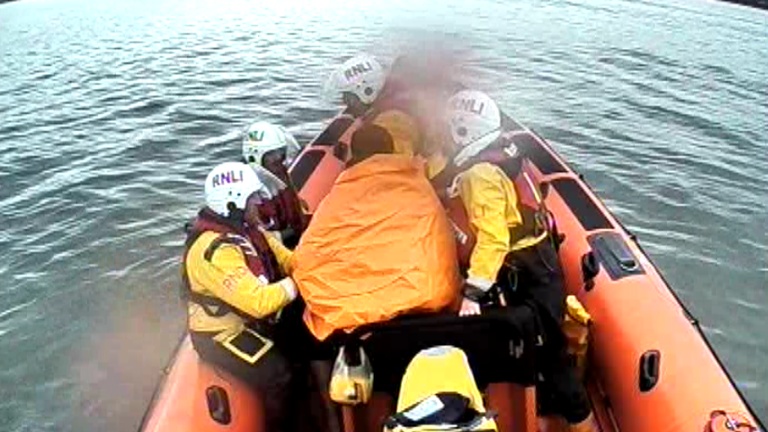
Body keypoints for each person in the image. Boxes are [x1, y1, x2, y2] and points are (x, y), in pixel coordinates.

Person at [426, 90, 598, 432]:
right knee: (537, 345)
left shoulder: (479, 176)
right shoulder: (496, 157)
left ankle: (581, 421)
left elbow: (494, 239)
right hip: (527, 263)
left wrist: (473, 292)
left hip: (529, 270)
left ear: (464, 131)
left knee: (551, 353)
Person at [291, 124, 461, 341]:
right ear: (391, 150)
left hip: (360, 308)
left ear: (354, 154)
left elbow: (311, 249)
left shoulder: (346, 188)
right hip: (426, 293)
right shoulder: (416, 182)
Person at [181, 161, 300, 432]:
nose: (259, 203)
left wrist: (316, 264)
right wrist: (296, 284)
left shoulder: (251, 233)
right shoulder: (216, 252)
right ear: (233, 203)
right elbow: (258, 302)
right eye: (252, 199)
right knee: (279, 375)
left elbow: (288, 260)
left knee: (301, 334)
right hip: (221, 335)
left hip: (248, 321)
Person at [325, 54, 423, 157]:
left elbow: (396, 160)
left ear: (367, 92)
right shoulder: (390, 102)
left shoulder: (392, 121)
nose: (345, 102)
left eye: (349, 97)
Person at [242, 121, 307, 244]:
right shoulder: (249, 192)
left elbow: (293, 201)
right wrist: (296, 231)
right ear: (255, 155)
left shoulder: (279, 172)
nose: (278, 157)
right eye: (272, 154)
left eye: (281, 151)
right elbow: (261, 239)